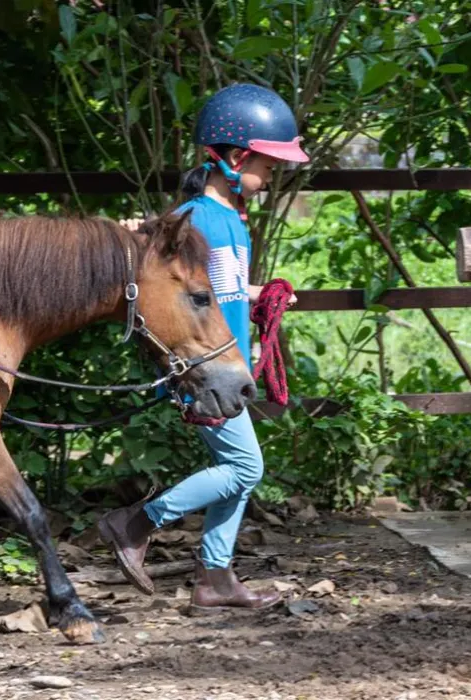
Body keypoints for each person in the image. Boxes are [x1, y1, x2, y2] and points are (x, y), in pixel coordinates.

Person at [99, 83, 306, 611]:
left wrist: (265, 294)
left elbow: (222, 288)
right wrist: (133, 234)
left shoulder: (232, 219)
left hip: (226, 363)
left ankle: (215, 577)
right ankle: (136, 522)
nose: (270, 177)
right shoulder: (192, 221)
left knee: (239, 470)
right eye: (268, 166)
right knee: (246, 469)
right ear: (238, 159)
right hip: (202, 365)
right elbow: (157, 269)